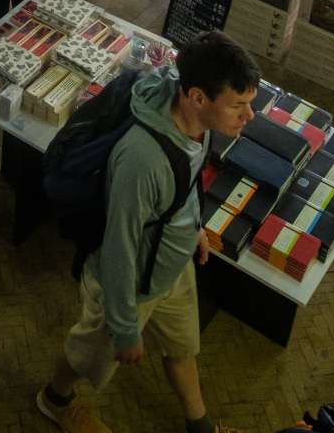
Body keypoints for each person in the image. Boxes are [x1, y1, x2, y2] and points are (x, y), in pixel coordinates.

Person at [36, 30, 259, 433]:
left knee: (182, 347)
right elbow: (119, 245)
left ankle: (200, 426)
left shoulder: (199, 121)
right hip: (128, 286)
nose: (250, 116)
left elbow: (187, 177)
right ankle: (56, 397)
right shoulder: (142, 161)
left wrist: (192, 225)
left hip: (170, 265)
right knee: (88, 356)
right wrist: (124, 328)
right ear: (197, 98)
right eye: (238, 105)